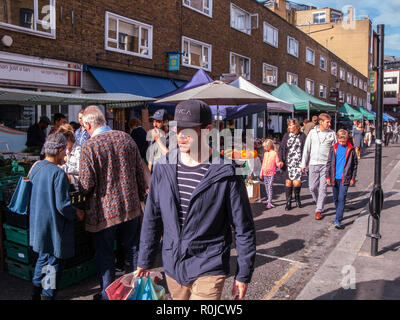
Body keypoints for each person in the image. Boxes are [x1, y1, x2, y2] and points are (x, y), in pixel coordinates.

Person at [136, 99, 256, 300]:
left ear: (207, 130)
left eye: (189, 129)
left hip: (210, 264)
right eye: (178, 128)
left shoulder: (227, 172)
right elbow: (152, 218)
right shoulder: (163, 167)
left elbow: (243, 227)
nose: (181, 135)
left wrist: (243, 274)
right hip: (173, 265)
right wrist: (144, 259)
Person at [78, 105, 147, 300]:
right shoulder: (126, 137)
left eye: (85, 127)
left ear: (90, 124)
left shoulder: (90, 146)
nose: (84, 130)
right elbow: (139, 172)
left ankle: (109, 296)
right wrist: (141, 195)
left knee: (106, 256)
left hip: (104, 213)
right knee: (133, 250)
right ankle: (137, 292)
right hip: (131, 206)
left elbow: (86, 184)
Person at [30, 133, 80, 300]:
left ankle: (35, 293)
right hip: (54, 228)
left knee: (42, 258)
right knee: (53, 264)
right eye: (64, 151)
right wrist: (77, 213)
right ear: (59, 150)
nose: (65, 155)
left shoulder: (36, 167)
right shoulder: (58, 174)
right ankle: (47, 295)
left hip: (39, 224)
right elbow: (63, 206)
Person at [301, 113, 337, 220]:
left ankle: (319, 209)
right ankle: (318, 202)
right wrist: (303, 164)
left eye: (330, 122)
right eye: (328, 122)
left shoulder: (332, 134)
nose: (329, 124)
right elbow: (306, 149)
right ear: (321, 122)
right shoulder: (312, 133)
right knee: (312, 187)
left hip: (326, 165)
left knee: (323, 189)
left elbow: (336, 150)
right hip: (313, 163)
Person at [326, 129, 358, 229]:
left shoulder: (351, 149)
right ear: (338, 139)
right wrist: (327, 176)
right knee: (335, 198)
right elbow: (329, 163)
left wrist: (353, 178)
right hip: (334, 177)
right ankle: (339, 212)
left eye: (344, 141)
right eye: (340, 141)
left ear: (347, 139)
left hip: (345, 178)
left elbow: (355, 165)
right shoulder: (333, 148)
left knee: (341, 198)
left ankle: (338, 220)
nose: (342, 143)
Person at [279, 118, 307, 211]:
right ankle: (288, 201)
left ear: (297, 126)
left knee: (297, 182)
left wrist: (305, 164)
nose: (290, 127)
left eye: (291, 125)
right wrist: (281, 160)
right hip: (288, 162)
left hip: (298, 162)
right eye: (289, 125)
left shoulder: (302, 136)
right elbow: (281, 149)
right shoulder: (286, 136)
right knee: (288, 182)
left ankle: (297, 198)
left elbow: (306, 150)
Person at [259, 139, 283, 209]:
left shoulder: (275, 153)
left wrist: (280, 164)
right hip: (265, 173)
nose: (264, 148)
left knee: (270, 187)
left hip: (271, 173)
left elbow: (277, 162)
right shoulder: (266, 153)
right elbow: (263, 164)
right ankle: (268, 199)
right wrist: (261, 172)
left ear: (269, 146)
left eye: (265, 147)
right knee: (266, 187)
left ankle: (269, 202)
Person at [58, 124, 81, 190]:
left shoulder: (78, 151)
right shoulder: (68, 150)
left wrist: (62, 167)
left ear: (68, 139)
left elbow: (79, 170)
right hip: (70, 185)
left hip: (77, 187)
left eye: (62, 141)